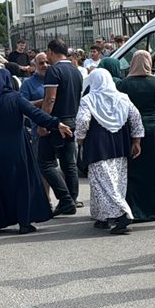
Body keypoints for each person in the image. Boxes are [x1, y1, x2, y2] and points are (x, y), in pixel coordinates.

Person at [0, 69, 71, 235]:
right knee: (21, 185)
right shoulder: (15, 98)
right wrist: (56, 123)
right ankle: (24, 222)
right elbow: (36, 114)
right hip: (16, 150)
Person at [76, 69, 145, 235]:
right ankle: (103, 217)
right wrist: (136, 141)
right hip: (120, 143)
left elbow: (83, 121)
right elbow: (135, 117)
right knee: (117, 181)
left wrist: (80, 138)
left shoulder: (88, 100)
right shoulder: (123, 97)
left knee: (102, 183)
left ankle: (123, 213)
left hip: (98, 145)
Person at [116, 51, 155, 222]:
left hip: (132, 131)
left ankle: (135, 210)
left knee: (133, 172)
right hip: (154, 130)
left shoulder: (124, 84)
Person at [40, 38, 84, 215]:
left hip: (57, 122)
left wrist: (44, 121)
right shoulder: (75, 71)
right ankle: (72, 199)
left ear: (51, 51)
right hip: (73, 119)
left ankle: (65, 198)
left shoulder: (54, 70)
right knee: (69, 163)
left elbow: (50, 99)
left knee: (45, 162)